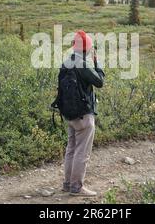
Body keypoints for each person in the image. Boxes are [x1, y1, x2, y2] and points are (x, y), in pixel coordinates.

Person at [59, 30, 105, 197]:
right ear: (87, 49)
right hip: (83, 115)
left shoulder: (67, 61)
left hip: (69, 114)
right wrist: (97, 63)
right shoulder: (83, 64)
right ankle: (77, 187)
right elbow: (99, 82)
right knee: (82, 152)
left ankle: (67, 184)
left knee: (71, 148)